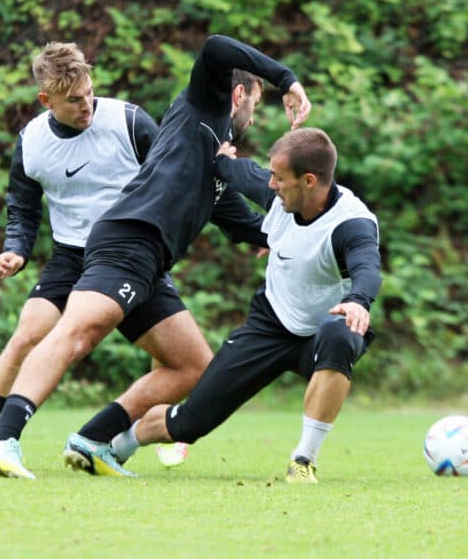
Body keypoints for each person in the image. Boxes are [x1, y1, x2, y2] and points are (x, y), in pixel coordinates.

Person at [0, 34, 311, 479]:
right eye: (256, 101)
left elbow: (228, 212)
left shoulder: (214, 151)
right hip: (128, 236)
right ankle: (2, 438)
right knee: (77, 333)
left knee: (192, 366)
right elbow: (213, 47)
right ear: (237, 94)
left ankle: (94, 439)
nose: (255, 113)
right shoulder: (203, 109)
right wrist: (285, 79)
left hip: (151, 259)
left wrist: (271, 235)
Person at [110, 128, 381, 484]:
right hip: (269, 325)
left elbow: (367, 268)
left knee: (341, 334)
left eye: (279, 178)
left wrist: (358, 302)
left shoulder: (351, 224)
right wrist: (221, 158)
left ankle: (303, 460)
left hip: (321, 332)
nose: (271, 185)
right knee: (191, 422)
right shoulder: (283, 196)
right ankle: (116, 446)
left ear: (309, 181)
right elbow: (237, 172)